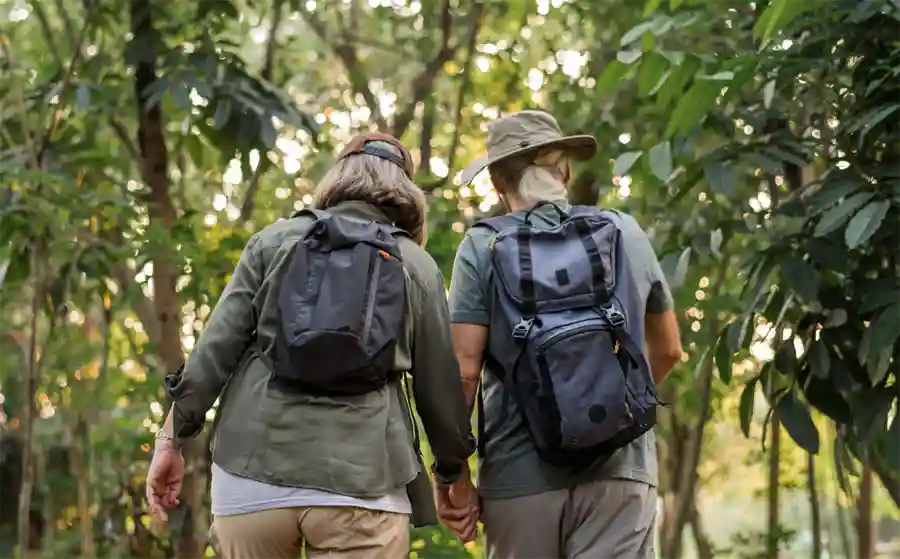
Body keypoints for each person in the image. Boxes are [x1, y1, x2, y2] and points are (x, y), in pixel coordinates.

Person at [145, 133, 477, 559]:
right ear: (407, 193)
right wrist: (453, 475)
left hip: (252, 476)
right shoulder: (415, 265)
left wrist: (170, 440)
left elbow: (214, 352)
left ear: (336, 178)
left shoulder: (272, 243)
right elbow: (439, 390)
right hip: (363, 485)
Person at [444, 110, 684, 559]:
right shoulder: (623, 232)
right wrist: (609, 404)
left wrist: (453, 476)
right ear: (566, 171)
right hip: (621, 472)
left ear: (497, 182)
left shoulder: (482, 246)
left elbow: (463, 372)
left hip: (520, 479)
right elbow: (669, 349)